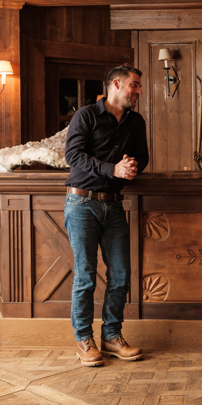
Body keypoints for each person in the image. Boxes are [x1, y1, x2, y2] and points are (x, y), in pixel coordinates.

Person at [64, 65, 149, 367]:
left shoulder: (136, 121)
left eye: (139, 86)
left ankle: (111, 336)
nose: (139, 91)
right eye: (134, 85)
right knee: (86, 276)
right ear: (116, 84)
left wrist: (132, 167)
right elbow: (73, 156)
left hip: (114, 205)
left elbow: (143, 156)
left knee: (121, 275)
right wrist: (112, 168)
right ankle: (84, 339)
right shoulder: (85, 115)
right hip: (82, 204)